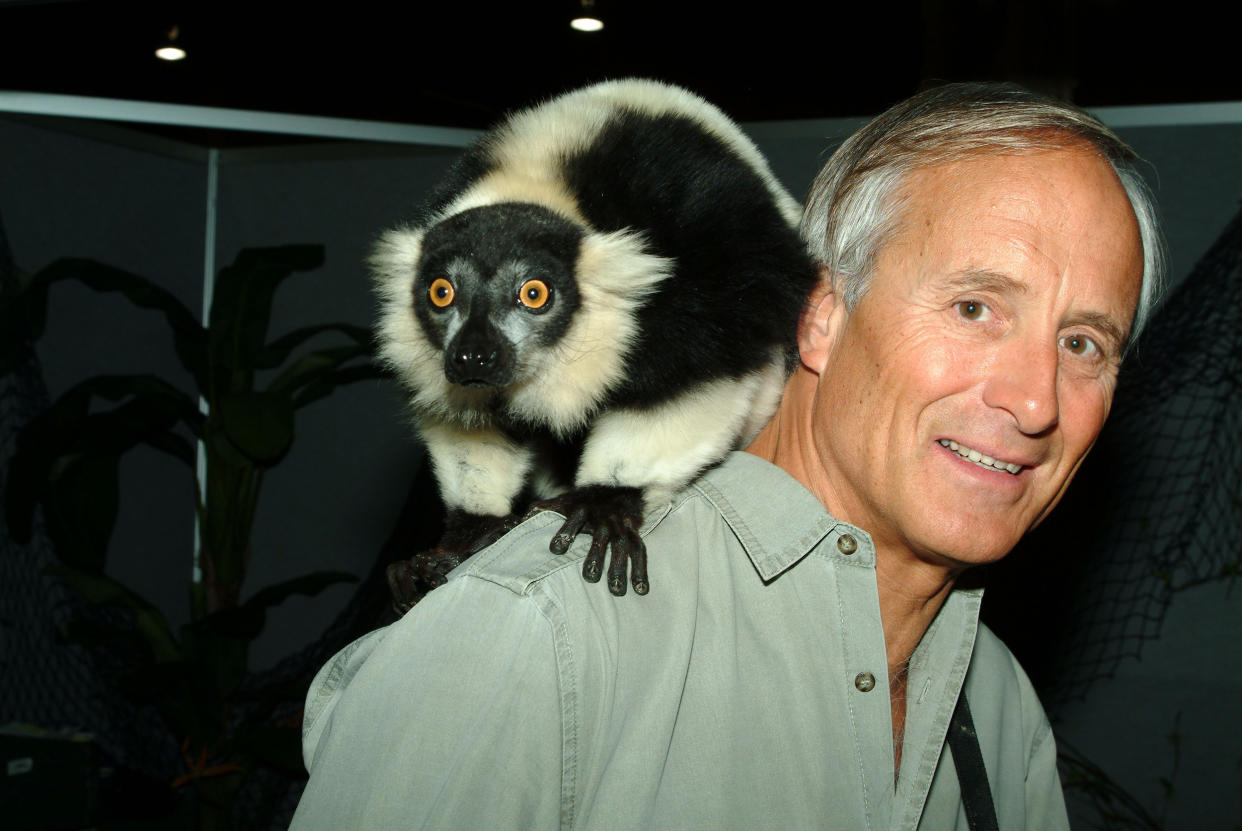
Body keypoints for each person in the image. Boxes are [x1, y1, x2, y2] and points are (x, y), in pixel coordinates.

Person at [290, 83, 1164, 830]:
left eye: (1084, 343)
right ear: (820, 314)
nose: (1036, 400)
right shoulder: (538, 635)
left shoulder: (997, 706)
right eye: (975, 308)